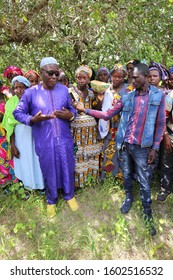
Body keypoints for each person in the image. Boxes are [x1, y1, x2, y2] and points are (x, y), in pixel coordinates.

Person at [75, 63, 166, 236]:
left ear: (146, 76)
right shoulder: (127, 97)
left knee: (145, 180)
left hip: (143, 147)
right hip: (124, 144)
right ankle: (129, 198)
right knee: (126, 174)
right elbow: (108, 114)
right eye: (131, 77)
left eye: (135, 77)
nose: (132, 80)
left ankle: (147, 212)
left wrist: (155, 147)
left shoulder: (158, 96)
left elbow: (161, 123)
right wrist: (84, 109)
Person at [13, 57, 78, 218]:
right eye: (50, 73)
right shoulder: (30, 93)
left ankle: (69, 195)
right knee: (49, 169)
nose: (54, 77)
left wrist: (70, 115)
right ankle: (52, 200)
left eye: (57, 73)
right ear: (41, 72)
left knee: (67, 166)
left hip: (64, 138)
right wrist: (32, 120)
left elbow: (72, 110)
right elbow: (17, 113)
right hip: (45, 140)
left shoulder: (63, 90)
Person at [2, 76, 44, 192]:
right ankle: (27, 187)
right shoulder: (10, 103)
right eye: (16, 88)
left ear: (27, 88)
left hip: (35, 135)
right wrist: (13, 145)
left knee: (36, 160)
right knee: (24, 161)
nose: (18, 90)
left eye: (21, 87)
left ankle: (40, 186)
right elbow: (9, 127)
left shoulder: (34, 100)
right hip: (20, 137)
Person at [68, 65, 101, 188]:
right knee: (78, 153)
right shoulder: (70, 92)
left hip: (91, 129)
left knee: (91, 154)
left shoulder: (92, 93)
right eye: (79, 77)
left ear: (88, 79)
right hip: (76, 129)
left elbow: (97, 109)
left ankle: (90, 179)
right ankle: (78, 182)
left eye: (84, 78)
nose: (81, 80)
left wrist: (99, 97)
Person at [98, 64, 130, 179]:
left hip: (122, 126)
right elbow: (101, 107)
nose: (116, 79)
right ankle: (107, 177)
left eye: (120, 76)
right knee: (108, 149)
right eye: (114, 76)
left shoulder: (129, 89)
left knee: (121, 151)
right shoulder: (106, 89)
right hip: (108, 125)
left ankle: (121, 177)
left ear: (124, 77)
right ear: (110, 76)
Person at [156, 67, 173, 202]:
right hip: (171, 135)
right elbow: (163, 117)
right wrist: (166, 135)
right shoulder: (170, 96)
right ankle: (165, 189)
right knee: (167, 164)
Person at [0, 89, 17, 187]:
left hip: (7, 132)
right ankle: (3, 180)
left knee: (9, 156)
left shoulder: (7, 98)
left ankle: (13, 180)